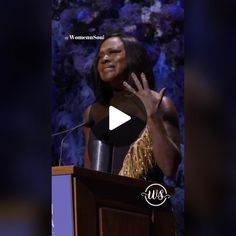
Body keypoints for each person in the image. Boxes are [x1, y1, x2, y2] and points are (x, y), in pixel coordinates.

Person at [83, 35, 181, 181]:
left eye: (114, 52)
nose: (104, 59)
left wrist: (153, 118)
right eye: (100, 56)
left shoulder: (160, 104)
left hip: (142, 200)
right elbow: (88, 172)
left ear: (133, 58)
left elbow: (169, 168)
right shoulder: (92, 112)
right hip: (101, 201)